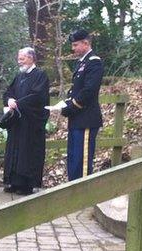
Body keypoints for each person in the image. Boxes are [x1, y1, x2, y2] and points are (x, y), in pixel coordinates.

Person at [50, 29, 103, 181]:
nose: (73, 49)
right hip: (76, 119)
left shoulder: (94, 62)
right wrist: (66, 104)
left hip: (86, 118)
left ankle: (83, 196)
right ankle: (73, 191)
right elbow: (76, 90)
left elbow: (89, 90)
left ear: (86, 43)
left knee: (82, 161)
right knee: (73, 158)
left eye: (75, 45)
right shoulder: (82, 62)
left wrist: (71, 106)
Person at [2, 47, 50, 195]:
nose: (19, 61)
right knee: (14, 151)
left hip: (31, 122)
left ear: (31, 58)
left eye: (22, 58)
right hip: (17, 122)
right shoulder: (19, 76)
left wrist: (18, 104)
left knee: (28, 152)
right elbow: (8, 92)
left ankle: (27, 185)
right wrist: (9, 100)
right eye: (19, 58)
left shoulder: (40, 75)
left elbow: (37, 96)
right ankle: (13, 182)